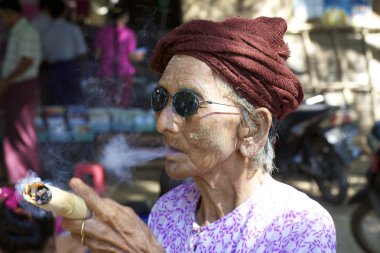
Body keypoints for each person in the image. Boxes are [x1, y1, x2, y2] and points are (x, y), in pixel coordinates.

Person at [62, 17, 337, 252]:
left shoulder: (300, 225)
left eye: (187, 103)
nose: (163, 124)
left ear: (253, 128)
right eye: (160, 99)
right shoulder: (168, 210)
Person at [0, 0, 42, 184]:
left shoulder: (25, 31)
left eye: (2, 15)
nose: (2, 20)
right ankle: (19, 176)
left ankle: (27, 177)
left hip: (23, 85)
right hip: (16, 85)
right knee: (14, 132)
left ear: (10, 13)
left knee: (23, 133)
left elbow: (27, 60)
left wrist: (7, 79)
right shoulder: (16, 32)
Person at [94, 3, 143, 107]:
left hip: (106, 71)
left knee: (107, 101)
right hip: (124, 72)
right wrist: (139, 56)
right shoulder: (129, 34)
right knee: (123, 102)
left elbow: (97, 54)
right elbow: (131, 56)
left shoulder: (103, 31)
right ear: (125, 16)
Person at [42, 0, 87, 105]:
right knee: (74, 98)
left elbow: (44, 56)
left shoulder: (46, 31)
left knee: (56, 99)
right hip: (70, 67)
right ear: (64, 12)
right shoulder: (72, 29)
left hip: (53, 68)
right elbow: (82, 53)